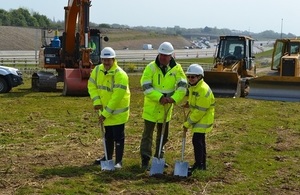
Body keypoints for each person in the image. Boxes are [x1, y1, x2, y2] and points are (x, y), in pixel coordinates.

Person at [140, 42, 188, 169]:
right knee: (147, 136)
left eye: (166, 56)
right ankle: (145, 159)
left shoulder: (177, 69)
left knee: (163, 135)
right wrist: (159, 97)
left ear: (171, 56)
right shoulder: (151, 67)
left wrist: (173, 99)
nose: (163, 58)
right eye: (161, 55)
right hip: (152, 107)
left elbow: (183, 86)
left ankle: (159, 158)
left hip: (167, 108)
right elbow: (146, 86)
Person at [88, 47, 130, 169]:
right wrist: (96, 101)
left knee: (118, 137)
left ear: (113, 59)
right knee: (108, 136)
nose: (106, 63)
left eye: (108, 60)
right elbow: (91, 85)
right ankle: (107, 157)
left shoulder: (120, 75)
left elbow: (116, 98)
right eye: (104, 60)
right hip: (105, 111)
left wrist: (105, 114)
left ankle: (119, 161)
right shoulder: (97, 70)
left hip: (118, 113)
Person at [182, 64, 215, 176]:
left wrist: (187, 123)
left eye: (193, 77)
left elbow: (200, 111)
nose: (190, 79)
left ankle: (199, 164)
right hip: (200, 118)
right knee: (199, 141)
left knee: (197, 141)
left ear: (200, 77)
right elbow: (195, 101)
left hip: (203, 119)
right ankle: (201, 164)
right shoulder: (194, 86)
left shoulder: (203, 89)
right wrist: (189, 104)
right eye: (189, 76)